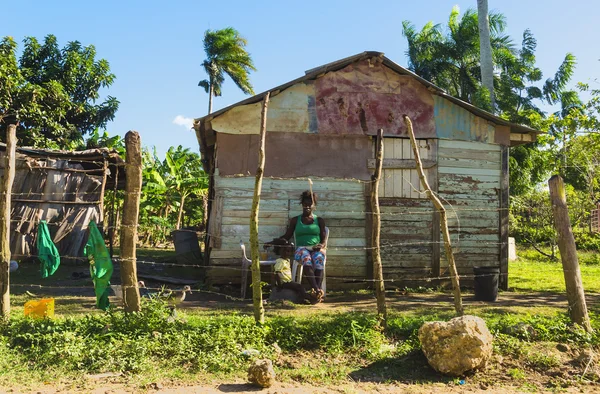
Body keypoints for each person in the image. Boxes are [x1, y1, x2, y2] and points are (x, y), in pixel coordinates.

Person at [271, 190, 326, 299]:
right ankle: (316, 289)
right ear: (302, 205)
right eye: (305, 205)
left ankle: (317, 292)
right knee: (306, 258)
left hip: (315, 249)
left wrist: (320, 246)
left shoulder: (319, 220)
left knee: (319, 259)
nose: (307, 207)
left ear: (313, 205)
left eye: (309, 205)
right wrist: (273, 242)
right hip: (301, 249)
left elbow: (323, 240)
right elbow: (286, 236)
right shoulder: (296, 220)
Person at [270, 238, 318, 304]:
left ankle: (301, 299)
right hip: (284, 282)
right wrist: (279, 285)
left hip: (288, 281)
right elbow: (276, 273)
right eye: (285, 251)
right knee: (300, 287)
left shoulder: (287, 260)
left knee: (297, 288)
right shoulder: (280, 261)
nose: (287, 253)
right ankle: (309, 298)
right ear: (279, 251)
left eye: (289, 251)